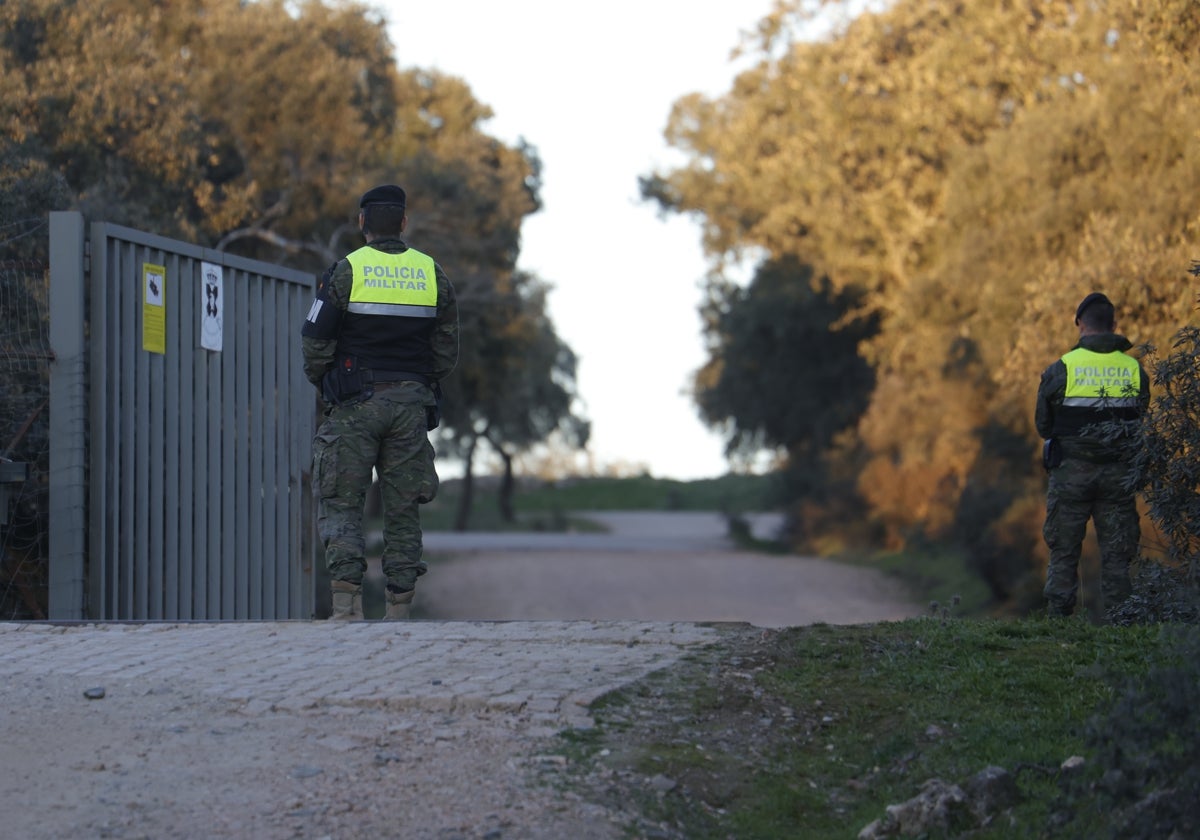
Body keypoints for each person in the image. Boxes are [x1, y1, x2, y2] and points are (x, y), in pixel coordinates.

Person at [301, 184, 459, 620]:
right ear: (404, 224)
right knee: (403, 505)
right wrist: (418, 384)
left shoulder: (346, 271)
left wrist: (328, 384)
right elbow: (447, 350)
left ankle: (347, 606)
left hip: (353, 405)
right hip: (410, 406)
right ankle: (400, 610)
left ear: (362, 223)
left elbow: (314, 342)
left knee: (341, 501)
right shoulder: (432, 274)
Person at [1035, 292, 1150, 618]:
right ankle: (1122, 624)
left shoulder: (1061, 370)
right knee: (1118, 554)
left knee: (1064, 549)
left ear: (1080, 326)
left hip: (1071, 476)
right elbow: (1140, 419)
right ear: (1113, 325)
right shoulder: (1134, 370)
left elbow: (1044, 426)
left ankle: (1059, 620)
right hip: (1118, 478)